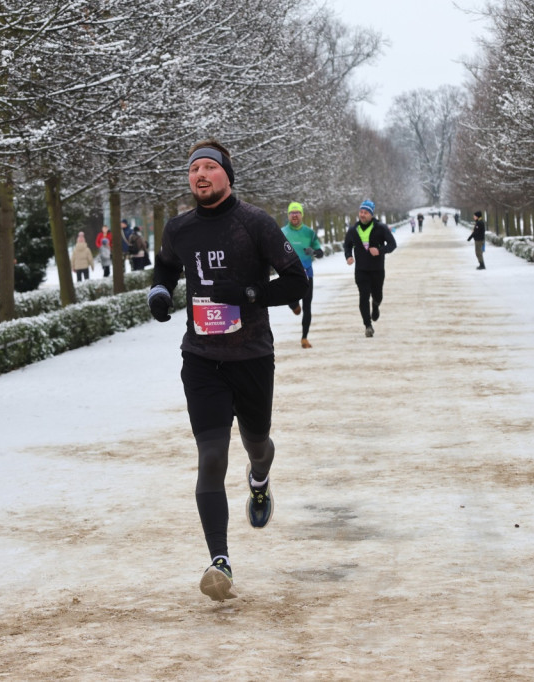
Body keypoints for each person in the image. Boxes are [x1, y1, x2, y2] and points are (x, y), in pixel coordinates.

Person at [146, 139, 307, 602]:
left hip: (253, 355)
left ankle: (259, 481)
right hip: (201, 358)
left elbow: (296, 280)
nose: (199, 174)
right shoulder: (179, 229)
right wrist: (160, 293)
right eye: (193, 168)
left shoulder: (254, 223)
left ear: (227, 176)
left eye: (209, 168)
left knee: (257, 443)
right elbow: (165, 271)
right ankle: (220, 561)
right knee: (212, 455)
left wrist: (250, 294)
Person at [344, 199, 396, 338]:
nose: (362, 215)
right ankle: (368, 325)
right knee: (363, 296)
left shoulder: (381, 228)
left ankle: (376, 304)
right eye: (361, 212)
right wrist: (348, 256)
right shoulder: (353, 230)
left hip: (377, 269)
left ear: (371, 214)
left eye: (366, 212)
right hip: (361, 270)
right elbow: (347, 245)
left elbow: (392, 244)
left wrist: (380, 250)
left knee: (377, 295)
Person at [281, 201, 323, 348]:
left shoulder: (309, 233)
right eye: (292, 213)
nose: (294, 215)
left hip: (306, 274)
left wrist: (313, 252)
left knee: (307, 306)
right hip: (288, 274)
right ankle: (293, 306)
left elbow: (320, 252)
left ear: (302, 215)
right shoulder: (282, 232)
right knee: (291, 300)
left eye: (297, 212)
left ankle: (304, 338)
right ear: (288, 215)